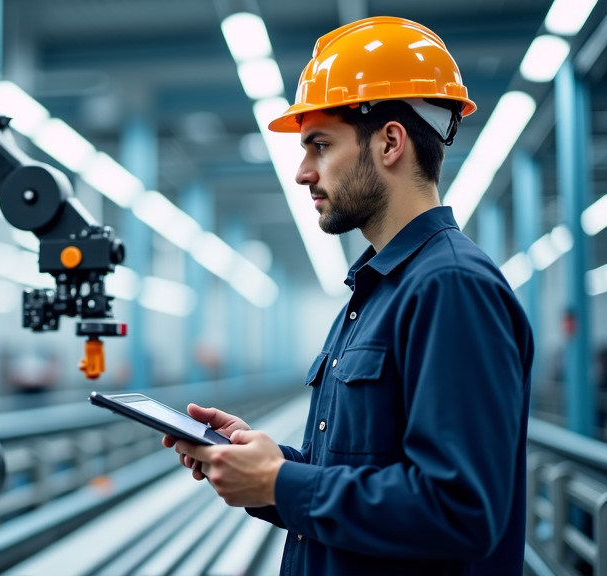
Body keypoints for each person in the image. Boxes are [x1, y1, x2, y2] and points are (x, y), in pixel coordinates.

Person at [165, 16, 534, 575]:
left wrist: (282, 482)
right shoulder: (377, 291)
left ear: (390, 141)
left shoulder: (450, 288)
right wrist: (267, 468)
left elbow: (459, 511)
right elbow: (365, 474)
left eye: (319, 145)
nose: (302, 172)